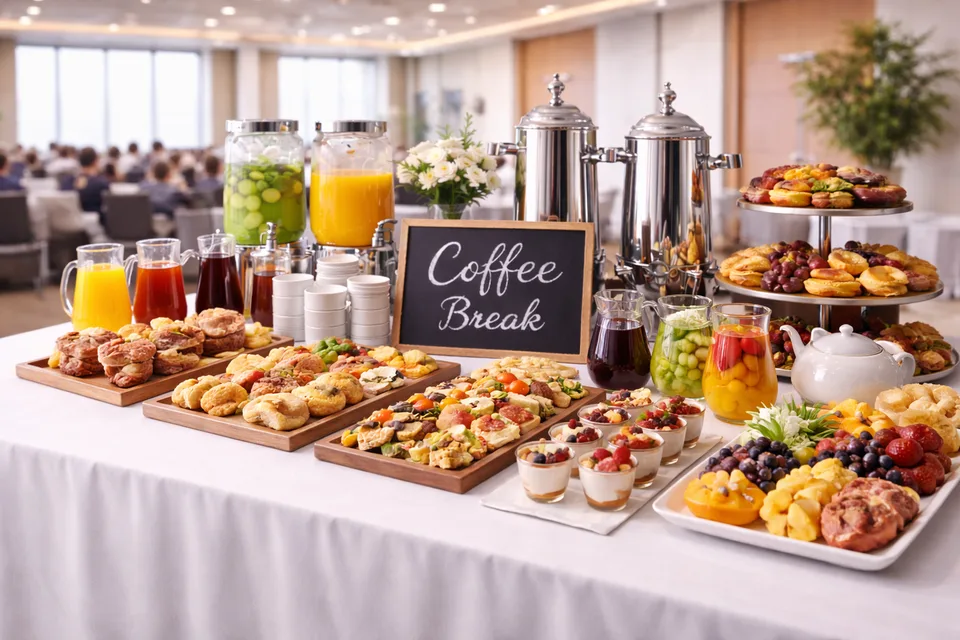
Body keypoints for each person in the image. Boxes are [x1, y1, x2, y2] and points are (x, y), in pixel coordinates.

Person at [72, 147, 111, 215]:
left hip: (73, 221)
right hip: (97, 221)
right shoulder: (101, 183)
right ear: (95, 161)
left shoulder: (68, 182)